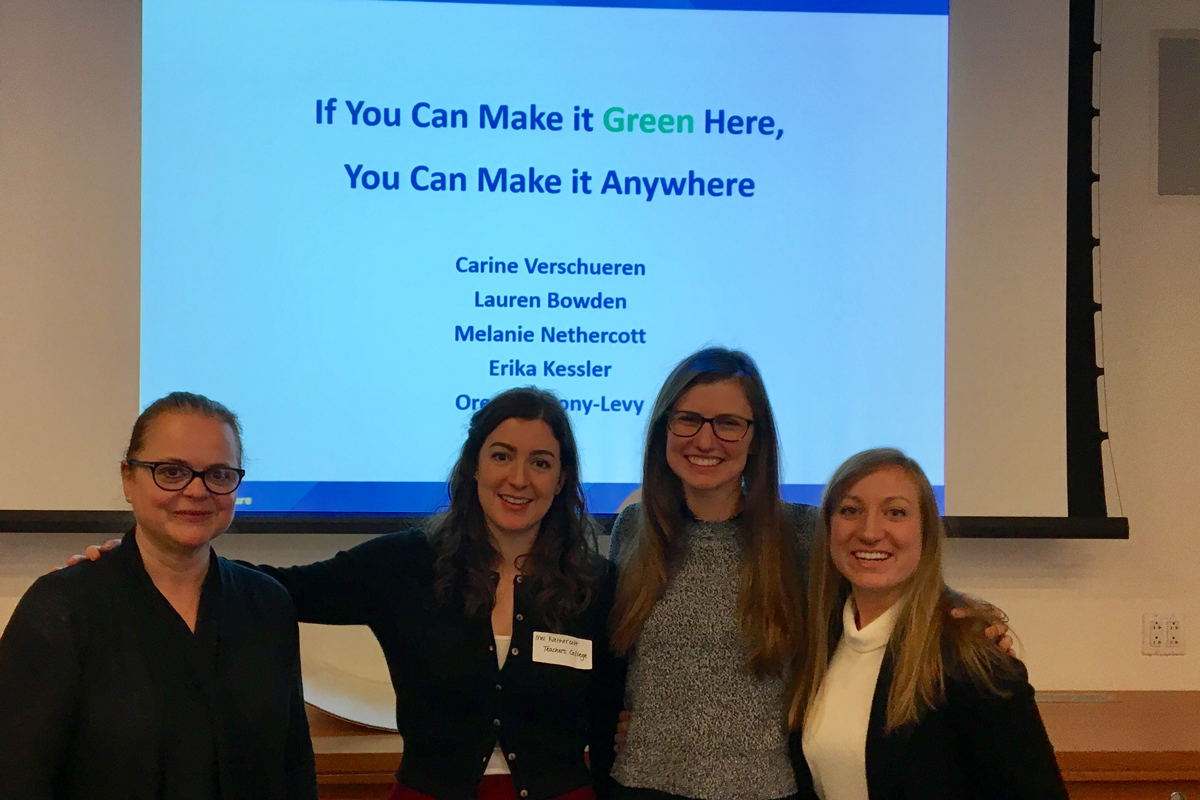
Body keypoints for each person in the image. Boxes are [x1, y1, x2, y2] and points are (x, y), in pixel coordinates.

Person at [71, 387, 622, 800]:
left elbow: (607, 725)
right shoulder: (406, 564)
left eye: (541, 462)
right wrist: (146, 564)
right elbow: (276, 589)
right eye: (501, 455)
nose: (518, 478)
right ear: (474, 465)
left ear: (562, 477)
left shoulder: (597, 586)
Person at [606, 348, 1010, 800]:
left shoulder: (800, 534)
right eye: (688, 419)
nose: (705, 440)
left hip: (766, 792)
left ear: (756, 439)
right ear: (664, 428)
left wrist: (964, 618)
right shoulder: (633, 529)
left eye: (729, 423)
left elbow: (886, 580)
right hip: (638, 786)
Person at [0, 392, 317, 799]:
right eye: (171, 471)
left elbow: (294, 771)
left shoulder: (268, 605)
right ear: (128, 478)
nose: (197, 491)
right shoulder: (62, 608)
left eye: (219, 474)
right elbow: (15, 778)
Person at [790, 448, 1068, 800]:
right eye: (850, 510)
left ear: (925, 532)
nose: (870, 531)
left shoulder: (970, 653)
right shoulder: (816, 641)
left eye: (895, 512)